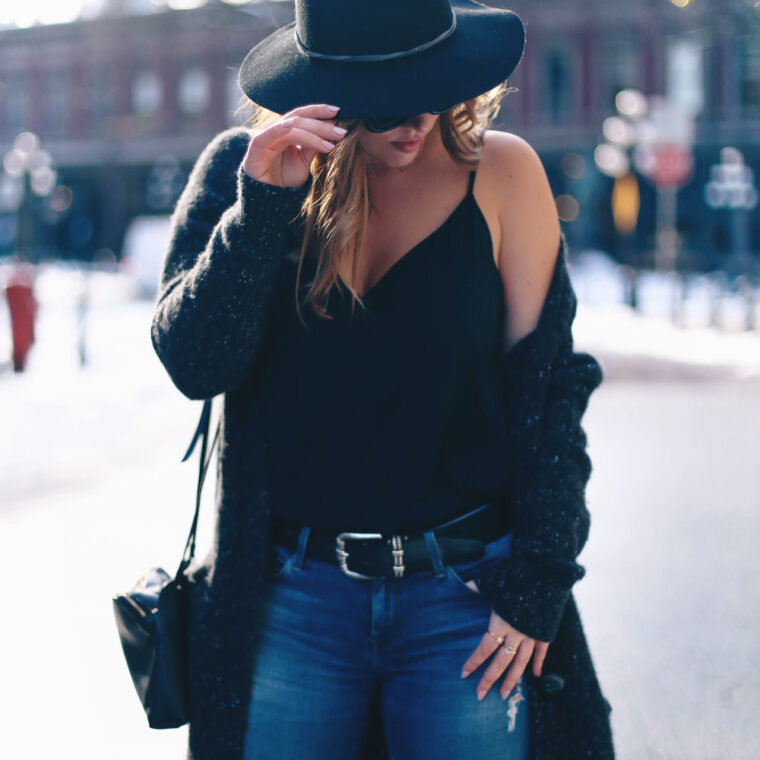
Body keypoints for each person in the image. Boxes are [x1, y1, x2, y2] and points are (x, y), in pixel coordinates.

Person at [150, 1, 615, 758]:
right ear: (327, 89)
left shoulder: (503, 174)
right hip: (293, 602)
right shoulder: (252, 172)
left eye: (435, 84)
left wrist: (538, 585)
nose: (419, 117)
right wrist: (263, 203)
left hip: (464, 603)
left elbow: (552, 395)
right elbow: (195, 363)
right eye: (390, 100)